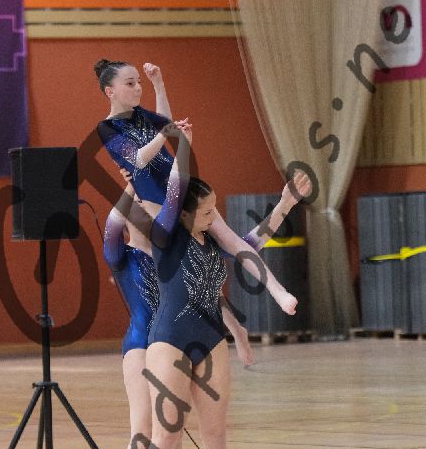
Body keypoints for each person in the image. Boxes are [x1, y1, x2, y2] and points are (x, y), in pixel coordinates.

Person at [139, 122, 310, 449]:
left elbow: (253, 242)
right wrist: (183, 146)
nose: (215, 217)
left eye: (216, 210)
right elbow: (175, 189)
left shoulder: (213, 243)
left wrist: (285, 204)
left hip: (210, 339)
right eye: (207, 212)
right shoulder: (166, 239)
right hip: (168, 340)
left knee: (215, 433)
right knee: (167, 432)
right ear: (183, 213)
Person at [95, 59, 298, 316]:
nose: (137, 88)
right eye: (130, 83)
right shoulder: (106, 128)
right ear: (110, 91)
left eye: (139, 82)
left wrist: (159, 84)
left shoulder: (141, 114)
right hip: (157, 201)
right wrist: (163, 134)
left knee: (230, 241)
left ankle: (278, 291)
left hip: (183, 185)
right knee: (197, 258)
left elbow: (166, 122)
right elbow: (137, 159)